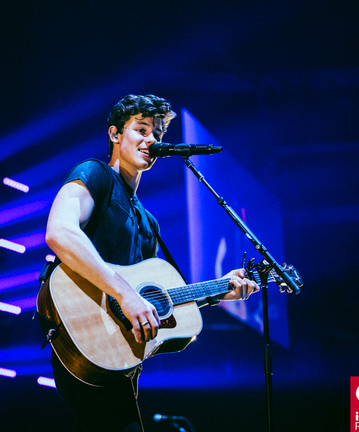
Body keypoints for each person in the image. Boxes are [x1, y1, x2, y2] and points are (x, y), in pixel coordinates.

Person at [43, 94, 260, 432]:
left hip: (119, 357)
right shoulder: (94, 174)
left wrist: (220, 290)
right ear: (115, 134)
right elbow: (59, 232)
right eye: (141, 130)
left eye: (157, 134)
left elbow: (157, 300)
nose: (152, 140)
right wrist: (125, 294)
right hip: (84, 337)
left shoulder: (148, 222)